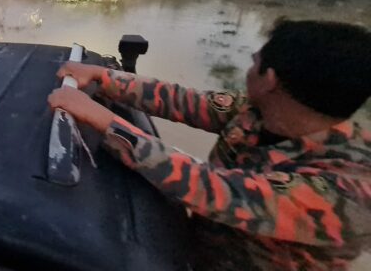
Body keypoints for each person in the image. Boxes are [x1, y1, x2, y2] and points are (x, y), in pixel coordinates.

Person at [48, 19, 371, 271]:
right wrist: (101, 77)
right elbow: (183, 101)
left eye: (254, 61)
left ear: (269, 80)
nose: (249, 68)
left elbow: (214, 189)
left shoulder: (349, 191)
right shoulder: (260, 112)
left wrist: (103, 121)